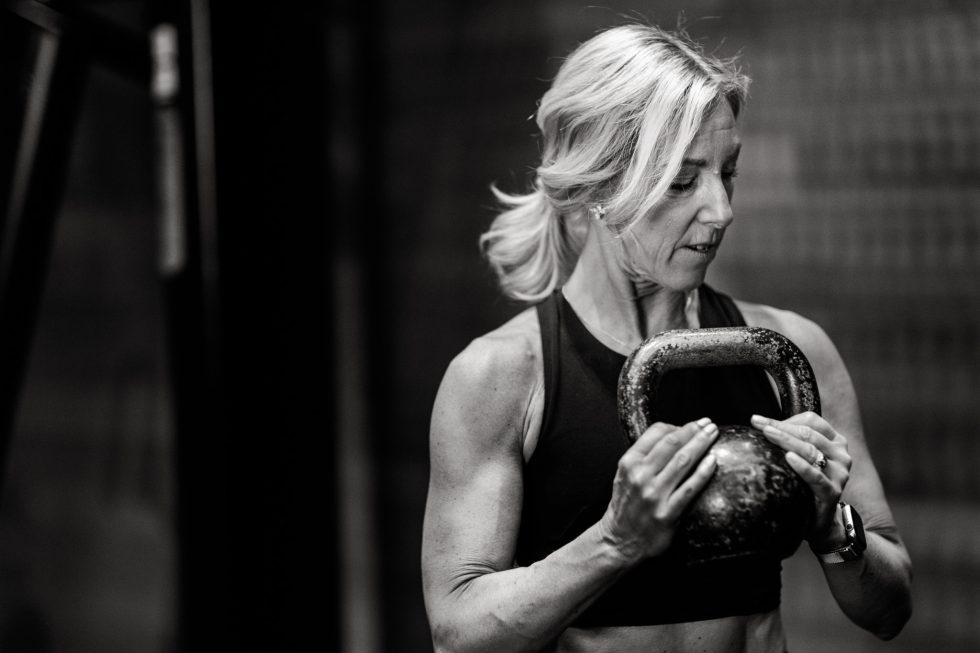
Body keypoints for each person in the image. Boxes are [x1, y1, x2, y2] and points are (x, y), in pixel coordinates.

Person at [421, 24, 912, 653]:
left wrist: (831, 526)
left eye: (727, 173)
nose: (721, 210)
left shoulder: (790, 355)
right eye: (682, 182)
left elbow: (890, 610)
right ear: (598, 186)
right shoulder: (503, 377)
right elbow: (458, 635)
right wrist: (615, 541)